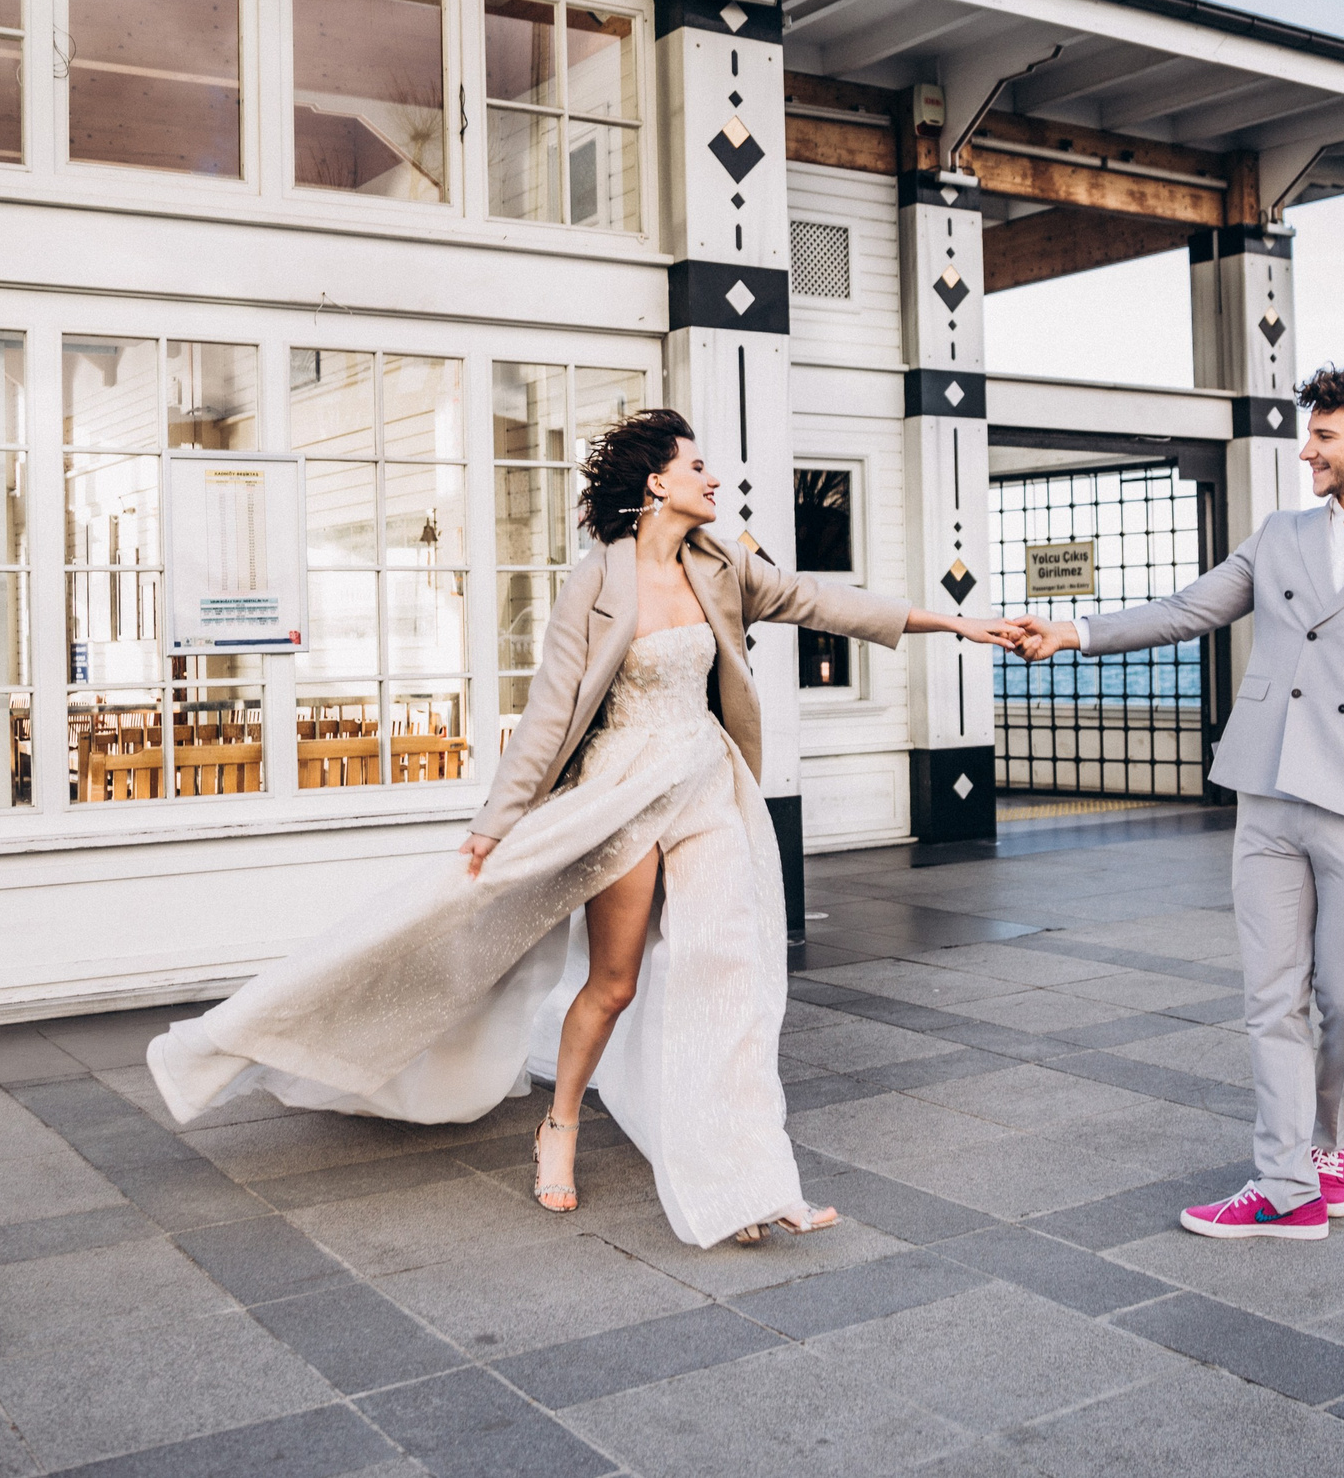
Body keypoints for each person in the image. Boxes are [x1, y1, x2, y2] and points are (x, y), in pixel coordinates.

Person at [148, 408, 1016, 1248]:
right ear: (656, 482)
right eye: (697, 465)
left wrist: (956, 622)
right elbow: (549, 714)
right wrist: (496, 823)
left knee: (733, 973)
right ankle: (558, 1123)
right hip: (624, 792)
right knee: (615, 983)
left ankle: (749, 1179)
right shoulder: (597, 580)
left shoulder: (721, 563)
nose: (713, 477)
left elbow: (822, 603)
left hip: (708, 782)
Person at [1006, 359, 1344, 1240]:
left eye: (1323, 433)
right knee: (1272, 998)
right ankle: (1284, 1183)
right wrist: (1074, 632)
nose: (1305, 448)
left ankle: (1326, 1147)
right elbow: (1186, 609)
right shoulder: (1279, 535)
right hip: (1269, 789)